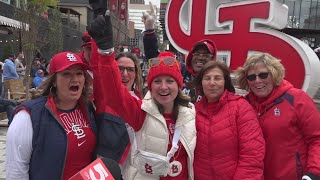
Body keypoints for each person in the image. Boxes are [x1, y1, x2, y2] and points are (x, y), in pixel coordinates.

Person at [88, 12, 196, 179]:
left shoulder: (190, 114)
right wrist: (105, 52)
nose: (164, 87)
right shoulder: (141, 112)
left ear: (179, 85)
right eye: (157, 81)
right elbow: (114, 92)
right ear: (150, 86)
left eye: (170, 81)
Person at [6, 52, 97, 180]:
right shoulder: (28, 116)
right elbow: (16, 172)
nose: (75, 79)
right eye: (67, 74)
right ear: (53, 80)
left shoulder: (88, 108)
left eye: (79, 73)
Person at [236, 53, 320, 180]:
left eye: (263, 75)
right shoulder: (243, 104)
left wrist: (313, 172)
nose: (257, 81)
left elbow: (317, 138)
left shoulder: (297, 99)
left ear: (274, 74)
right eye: (251, 77)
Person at [193, 61, 265, 179]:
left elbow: (252, 155)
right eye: (207, 78)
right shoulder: (194, 111)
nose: (212, 83)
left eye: (217, 78)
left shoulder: (241, 107)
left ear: (225, 82)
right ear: (201, 83)